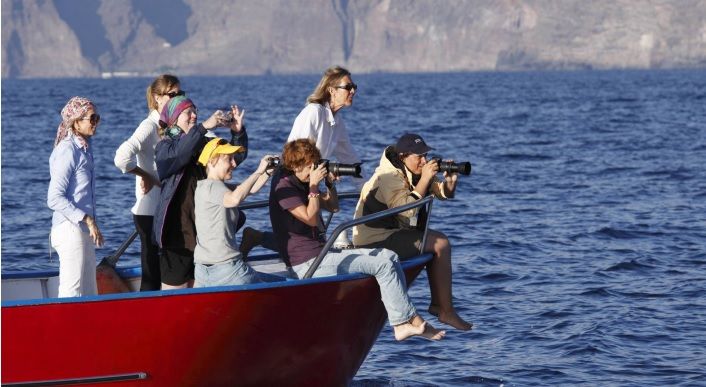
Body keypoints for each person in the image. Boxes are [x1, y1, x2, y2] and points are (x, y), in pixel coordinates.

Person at [269, 139, 445, 341]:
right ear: (295, 166)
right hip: (306, 263)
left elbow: (333, 207)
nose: (313, 170)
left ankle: (410, 320)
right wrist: (314, 185)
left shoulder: (303, 181)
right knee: (382, 265)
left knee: (389, 256)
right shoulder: (284, 186)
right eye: (310, 166)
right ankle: (401, 324)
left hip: (321, 253)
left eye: (314, 165)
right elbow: (309, 217)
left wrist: (329, 185)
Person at [352, 133, 473, 331]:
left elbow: (443, 193)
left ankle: (439, 306)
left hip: (391, 232)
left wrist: (450, 181)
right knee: (440, 242)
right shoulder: (388, 177)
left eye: (425, 156)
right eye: (419, 157)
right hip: (373, 239)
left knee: (439, 241)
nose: (424, 161)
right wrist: (425, 177)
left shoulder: (413, 171)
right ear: (403, 157)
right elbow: (407, 210)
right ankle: (445, 310)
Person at [241, 65, 361, 257]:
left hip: (309, 179)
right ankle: (256, 237)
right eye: (348, 86)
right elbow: (295, 154)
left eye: (354, 86)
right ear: (331, 89)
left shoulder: (338, 123)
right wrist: (313, 179)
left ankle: (256, 237)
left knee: (310, 238)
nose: (353, 90)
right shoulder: (313, 112)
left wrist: (366, 192)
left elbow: (351, 157)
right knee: (301, 238)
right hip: (289, 179)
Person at [153, 95, 247, 290]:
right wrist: (204, 126)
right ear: (175, 118)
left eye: (196, 111)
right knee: (174, 294)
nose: (194, 116)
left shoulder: (202, 142)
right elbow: (180, 153)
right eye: (189, 112)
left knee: (200, 292)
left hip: (202, 233)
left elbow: (232, 158)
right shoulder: (164, 146)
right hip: (177, 234)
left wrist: (237, 133)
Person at [114, 74, 182, 291]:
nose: (177, 98)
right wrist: (146, 175)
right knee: (152, 276)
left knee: (169, 271)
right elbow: (121, 157)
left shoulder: (173, 124)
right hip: (149, 212)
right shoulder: (148, 125)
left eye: (180, 93)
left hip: (169, 209)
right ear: (157, 97)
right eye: (172, 94)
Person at [193, 137, 276, 287]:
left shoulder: (206, 187)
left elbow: (250, 189)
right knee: (278, 294)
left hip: (203, 270)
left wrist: (267, 173)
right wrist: (258, 171)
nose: (234, 164)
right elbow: (234, 200)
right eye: (229, 159)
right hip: (227, 269)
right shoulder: (214, 188)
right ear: (212, 161)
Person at [48, 96, 104, 297]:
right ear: (76, 121)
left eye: (97, 117)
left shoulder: (85, 149)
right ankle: (62, 328)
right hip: (70, 229)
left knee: (90, 294)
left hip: (83, 230)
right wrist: (87, 219)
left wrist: (91, 223)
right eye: (92, 118)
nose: (96, 122)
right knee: (71, 293)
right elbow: (54, 197)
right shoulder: (68, 150)